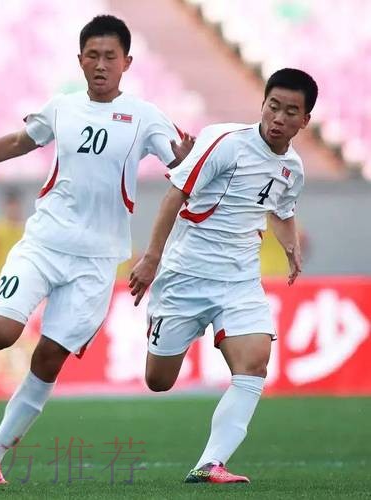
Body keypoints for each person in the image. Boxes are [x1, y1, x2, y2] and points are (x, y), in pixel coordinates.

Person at [0, 15, 194, 484]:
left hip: (97, 262)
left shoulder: (145, 116)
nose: (101, 65)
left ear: (127, 62)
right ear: (80, 60)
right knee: (3, 333)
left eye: (110, 57)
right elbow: (20, 141)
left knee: (49, 358)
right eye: (93, 56)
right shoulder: (62, 108)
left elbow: (183, 169)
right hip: (44, 244)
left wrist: (186, 162)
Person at [129, 68, 317, 483]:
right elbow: (174, 195)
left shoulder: (293, 168)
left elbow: (282, 210)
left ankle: (210, 463)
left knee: (255, 363)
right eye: (273, 106)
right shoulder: (225, 142)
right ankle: (169, 331)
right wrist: (151, 259)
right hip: (185, 275)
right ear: (262, 104)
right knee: (159, 380)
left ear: (304, 120)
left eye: (290, 112)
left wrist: (291, 247)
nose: (278, 118)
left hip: (240, 280)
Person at [0, 188, 25, 280]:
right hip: (0, 277)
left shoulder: (27, 229)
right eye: (10, 204)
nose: (13, 208)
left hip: (20, 277)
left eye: (15, 204)